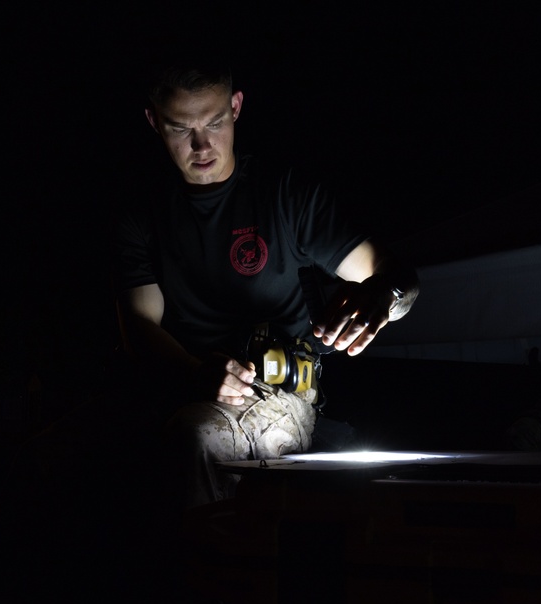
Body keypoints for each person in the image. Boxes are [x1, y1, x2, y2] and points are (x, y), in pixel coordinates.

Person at [112, 61, 419, 507]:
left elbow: (399, 278)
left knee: (198, 438)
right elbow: (139, 326)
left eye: (214, 122)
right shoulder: (141, 214)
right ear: (153, 121)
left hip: (276, 393)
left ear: (236, 107)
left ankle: (211, 571)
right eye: (181, 129)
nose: (202, 145)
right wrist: (196, 373)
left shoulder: (285, 195)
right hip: (177, 383)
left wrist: (383, 296)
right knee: (47, 458)